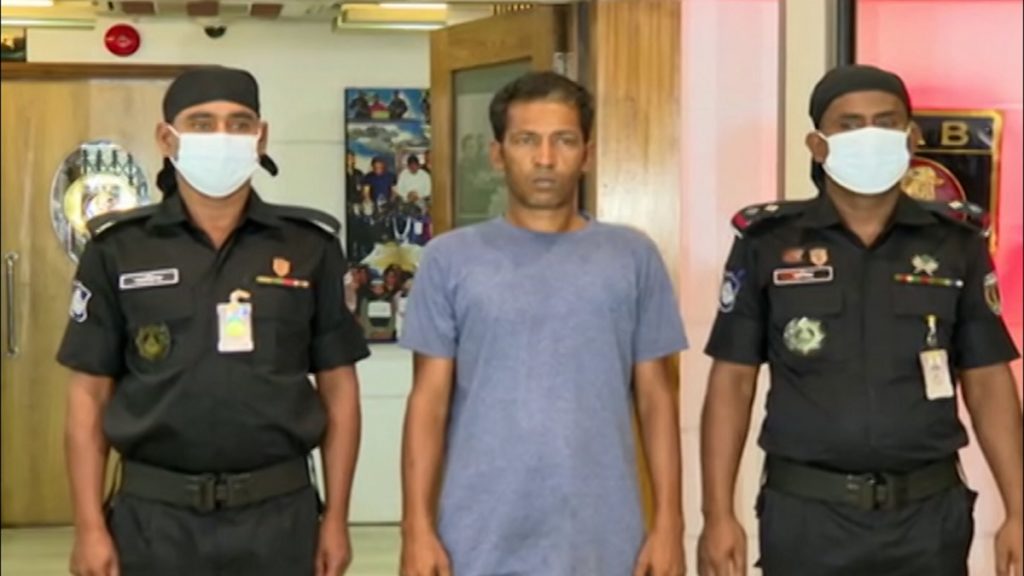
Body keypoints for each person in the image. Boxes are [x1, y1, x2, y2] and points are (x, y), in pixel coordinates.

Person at [697, 64, 1023, 576]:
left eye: (886, 122)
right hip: (807, 518)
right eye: (849, 125)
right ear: (818, 145)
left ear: (911, 138)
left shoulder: (955, 242)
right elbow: (732, 382)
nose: (869, 135)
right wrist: (717, 516)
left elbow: (987, 382)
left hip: (927, 519)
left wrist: (1019, 510)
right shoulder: (769, 243)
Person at [58, 66, 371, 576]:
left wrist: (337, 518)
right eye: (201, 124)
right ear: (167, 139)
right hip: (153, 518)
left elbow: (339, 389)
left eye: (239, 123)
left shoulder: (309, 246)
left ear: (260, 138)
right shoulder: (119, 249)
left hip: (280, 517)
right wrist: (89, 525)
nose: (222, 136)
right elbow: (88, 396)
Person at [398, 71, 688, 576]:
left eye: (564, 140)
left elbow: (656, 399)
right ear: (498, 154)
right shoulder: (449, 260)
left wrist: (669, 526)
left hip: (603, 539)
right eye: (526, 140)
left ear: (587, 154)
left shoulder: (633, 257)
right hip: (475, 539)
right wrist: (416, 529)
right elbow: (428, 403)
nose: (546, 158)